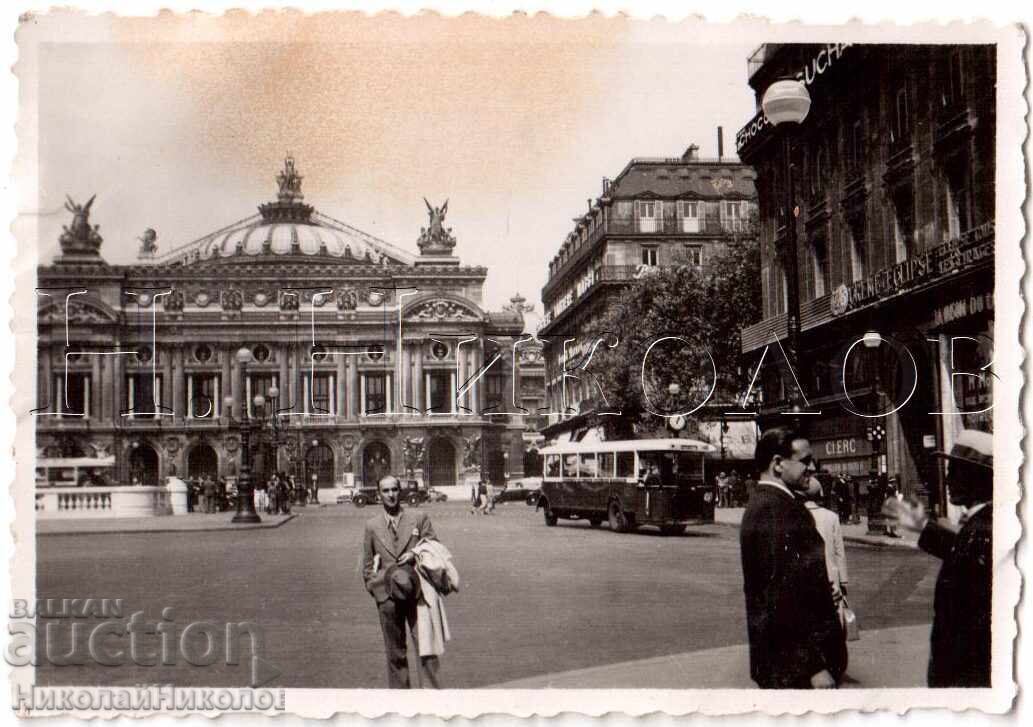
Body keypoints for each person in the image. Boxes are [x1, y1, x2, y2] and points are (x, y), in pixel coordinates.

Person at [883, 429, 992, 687]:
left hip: (967, 675)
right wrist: (923, 526)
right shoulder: (981, 524)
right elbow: (963, 553)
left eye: (954, 470)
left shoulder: (984, 527)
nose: (947, 478)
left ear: (975, 478)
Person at [740, 427, 844, 689]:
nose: (812, 467)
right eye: (805, 461)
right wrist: (813, 667)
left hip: (785, 664)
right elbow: (781, 597)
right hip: (796, 671)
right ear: (777, 463)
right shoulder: (777, 510)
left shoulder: (767, 505)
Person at [362, 474, 441, 688]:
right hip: (388, 597)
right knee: (395, 653)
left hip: (418, 594)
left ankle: (432, 703)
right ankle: (401, 704)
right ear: (379, 495)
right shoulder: (372, 526)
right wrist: (377, 590)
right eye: (385, 491)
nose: (391, 495)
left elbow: (434, 546)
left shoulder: (419, 518)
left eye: (394, 490)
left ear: (401, 491)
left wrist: (415, 553)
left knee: (427, 650)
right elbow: (367, 564)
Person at [803, 476, 850, 674]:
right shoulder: (831, 517)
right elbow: (839, 552)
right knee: (834, 618)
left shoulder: (796, 515)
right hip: (831, 576)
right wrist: (844, 581)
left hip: (807, 576)